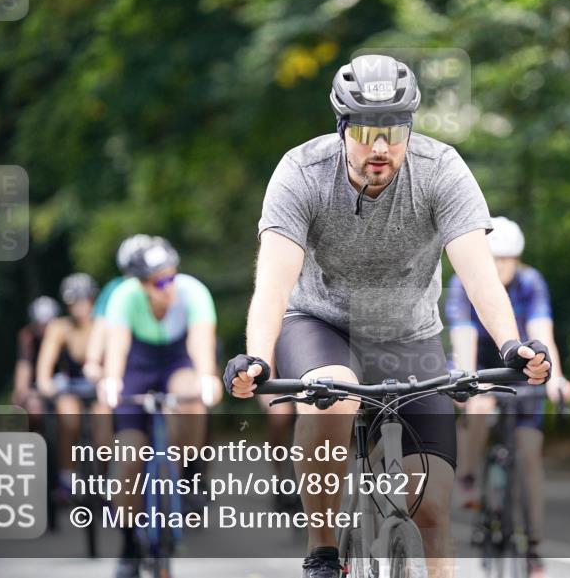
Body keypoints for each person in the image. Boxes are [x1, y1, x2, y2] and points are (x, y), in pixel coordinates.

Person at [224, 54, 551, 578]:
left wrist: (513, 345)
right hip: (321, 325)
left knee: (432, 510)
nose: (380, 147)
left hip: (409, 335)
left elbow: (478, 273)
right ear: (342, 129)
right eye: (365, 132)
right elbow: (274, 283)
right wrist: (258, 359)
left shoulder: (441, 169)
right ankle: (323, 550)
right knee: (333, 395)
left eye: (394, 132)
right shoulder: (302, 172)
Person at [446, 216, 570, 578]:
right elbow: (464, 337)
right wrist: (467, 383)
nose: (501, 266)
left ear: (518, 260)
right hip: (479, 364)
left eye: (507, 259)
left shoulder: (531, 282)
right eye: (494, 259)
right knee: (479, 404)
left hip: (519, 369)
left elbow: (542, 332)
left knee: (530, 452)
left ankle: (533, 546)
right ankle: (468, 476)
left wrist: (556, 378)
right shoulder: (463, 284)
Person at [99, 236, 222, 578]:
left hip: (176, 363)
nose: (169, 286)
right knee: (128, 459)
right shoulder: (124, 297)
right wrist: (111, 380)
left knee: (191, 395)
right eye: (159, 282)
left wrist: (207, 377)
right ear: (140, 284)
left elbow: (201, 342)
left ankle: (187, 472)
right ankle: (128, 545)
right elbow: (117, 347)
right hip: (137, 368)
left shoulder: (193, 292)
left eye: (172, 276)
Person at [36, 273, 99, 498]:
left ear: (92, 300)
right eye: (74, 302)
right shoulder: (60, 327)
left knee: (104, 421)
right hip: (70, 388)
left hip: (99, 389)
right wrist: (44, 383)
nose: (79, 307)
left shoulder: (103, 324)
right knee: (68, 415)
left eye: (83, 300)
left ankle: (107, 477)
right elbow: (46, 362)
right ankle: (67, 475)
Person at [83, 234, 153, 383]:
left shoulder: (165, 286)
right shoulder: (116, 288)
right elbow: (101, 325)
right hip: (126, 358)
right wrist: (93, 361)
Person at [13, 296, 61, 415]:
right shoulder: (28, 338)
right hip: (37, 389)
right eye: (40, 323)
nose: (44, 328)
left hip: (64, 387)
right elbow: (24, 367)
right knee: (30, 405)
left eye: (47, 323)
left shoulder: (65, 335)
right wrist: (21, 392)